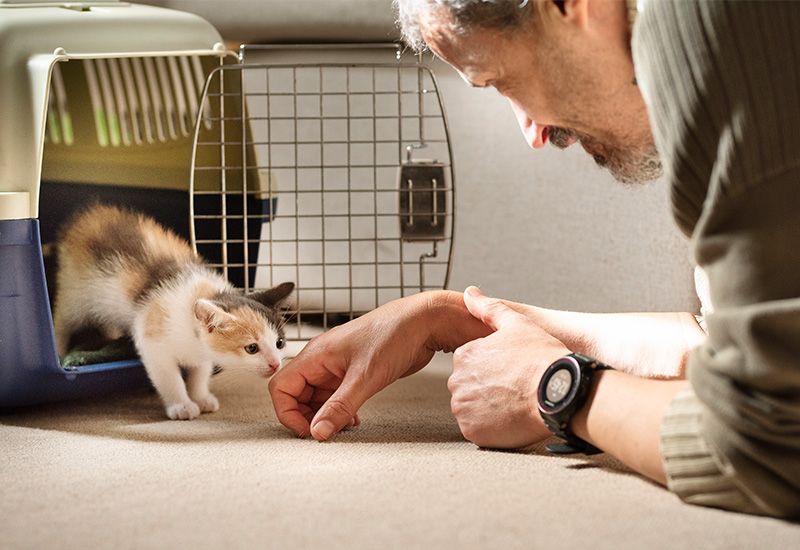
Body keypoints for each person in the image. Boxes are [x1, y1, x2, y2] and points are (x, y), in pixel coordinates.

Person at [268, 0, 800, 518]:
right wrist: (447, 317)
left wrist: (557, 387)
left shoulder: (715, 36)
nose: (533, 134)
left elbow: (770, 438)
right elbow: (731, 345)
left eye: (501, 80)